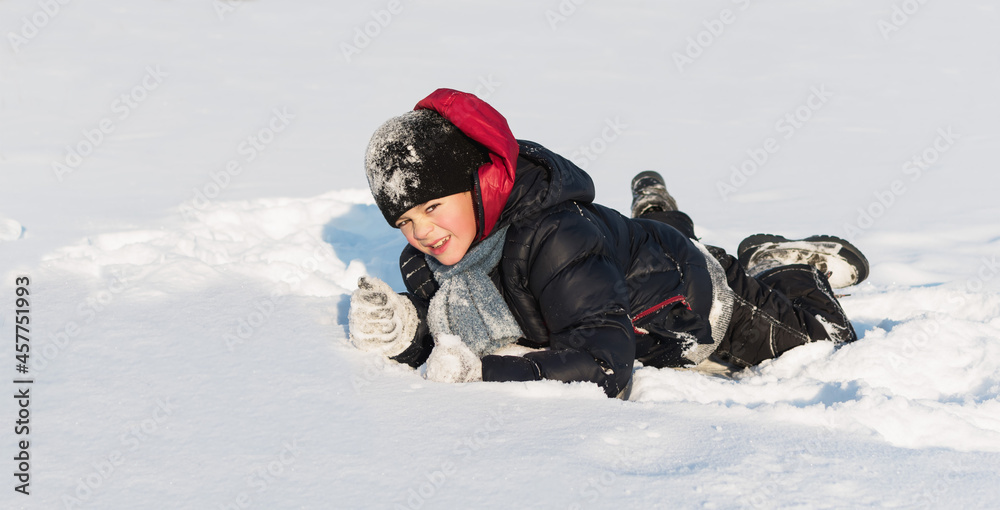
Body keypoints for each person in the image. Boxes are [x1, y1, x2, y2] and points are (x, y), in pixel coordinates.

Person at [348, 88, 869, 399]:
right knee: (651, 241)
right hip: (642, 259)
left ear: (483, 183)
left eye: (433, 207)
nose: (421, 233)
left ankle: (780, 267)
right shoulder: (438, 258)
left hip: (704, 304)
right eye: (404, 220)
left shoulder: (554, 238)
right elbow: (439, 333)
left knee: (831, 341)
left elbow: (604, 364)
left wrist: (483, 372)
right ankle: (659, 217)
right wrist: (401, 332)